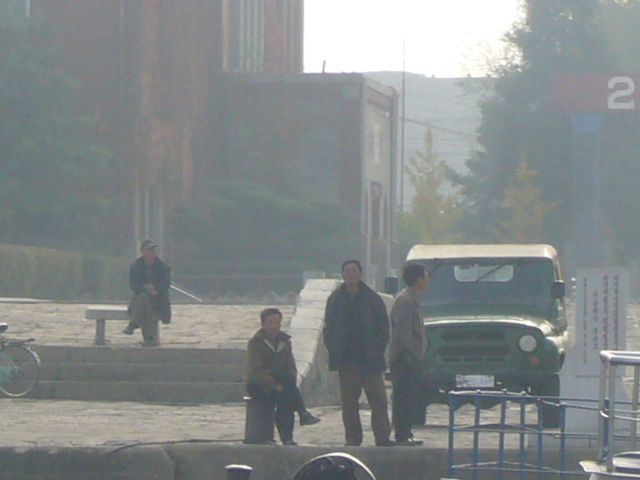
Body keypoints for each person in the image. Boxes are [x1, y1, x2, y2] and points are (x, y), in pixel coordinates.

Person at [323, 260, 394, 447]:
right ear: (342, 274)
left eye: (354, 270)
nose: (350, 274)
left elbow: (383, 328)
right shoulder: (335, 299)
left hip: (371, 360)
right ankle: (353, 439)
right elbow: (328, 328)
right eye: (347, 270)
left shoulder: (372, 298)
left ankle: (382, 437)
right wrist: (334, 350)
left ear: (361, 274)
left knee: (378, 401)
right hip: (347, 361)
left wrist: (377, 349)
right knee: (349, 404)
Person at [246, 307, 321, 446]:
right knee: (287, 391)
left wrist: (282, 381)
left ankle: (288, 437)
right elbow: (257, 371)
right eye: (270, 322)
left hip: (282, 382)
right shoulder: (255, 343)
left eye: (277, 322)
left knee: (286, 396)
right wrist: (274, 385)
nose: (274, 326)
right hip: (260, 385)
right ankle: (302, 414)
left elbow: (291, 366)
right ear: (263, 324)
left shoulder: (285, 342)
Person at [389, 263, 430, 446]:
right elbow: (402, 332)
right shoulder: (405, 301)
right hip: (404, 359)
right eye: (426, 276)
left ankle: (406, 433)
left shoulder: (413, 298)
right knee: (402, 397)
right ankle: (402, 435)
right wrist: (411, 354)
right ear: (419, 279)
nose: (428, 280)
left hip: (410, 357)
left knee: (409, 397)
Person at [123, 239, 172, 345]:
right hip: (142, 299)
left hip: (158, 300)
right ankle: (149, 340)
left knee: (143, 300)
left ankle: (133, 324)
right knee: (144, 300)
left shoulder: (163, 267)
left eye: (153, 249)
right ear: (142, 251)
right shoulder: (136, 267)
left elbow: (166, 285)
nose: (151, 252)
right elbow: (134, 285)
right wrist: (146, 288)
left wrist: (155, 289)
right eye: (149, 249)